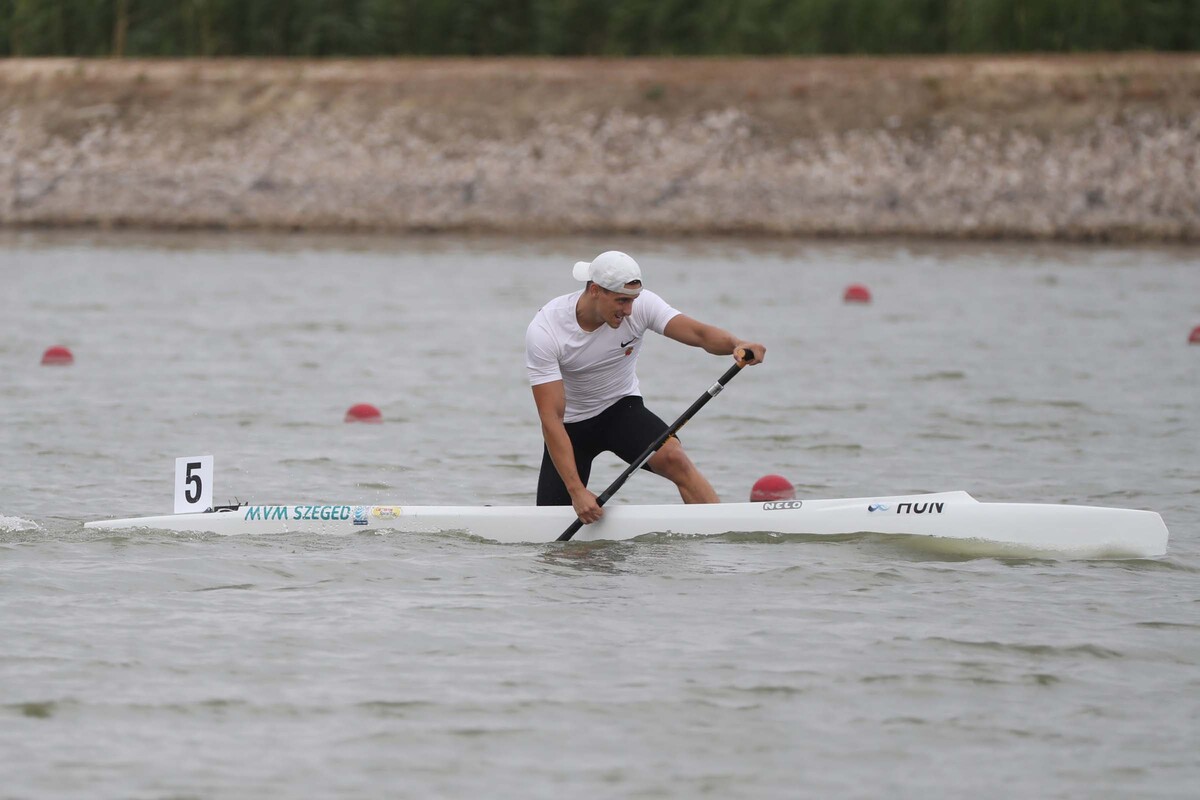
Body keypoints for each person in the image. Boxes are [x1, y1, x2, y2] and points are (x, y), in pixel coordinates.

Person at [525, 250, 765, 525]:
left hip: (620, 410)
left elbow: (699, 335)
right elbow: (551, 417)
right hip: (570, 427)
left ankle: (723, 531)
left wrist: (735, 344)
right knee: (551, 525)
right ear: (594, 290)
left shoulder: (640, 306)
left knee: (675, 459)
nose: (628, 310)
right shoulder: (546, 330)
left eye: (632, 301)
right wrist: (577, 491)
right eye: (621, 301)